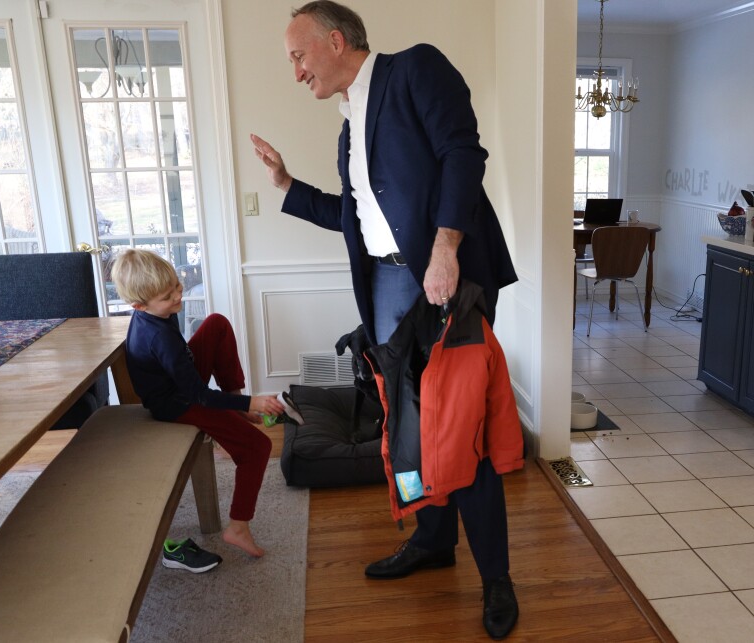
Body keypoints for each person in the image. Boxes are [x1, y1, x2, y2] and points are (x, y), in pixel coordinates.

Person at [251, 1, 520, 638]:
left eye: (298, 55)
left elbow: (463, 154)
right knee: (411, 431)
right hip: (387, 290)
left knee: (463, 436)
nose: (295, 72)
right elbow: (355, 217)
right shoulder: (350, 126)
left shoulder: (415, 71)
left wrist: (446, 248)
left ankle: (498, 580)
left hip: (440, 280)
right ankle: (433, 541)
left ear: (336, 40)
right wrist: (288, 185)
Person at [111, 249, 285, 559]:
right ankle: (238, 526)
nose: (178, 296)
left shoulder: (156, 312)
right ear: (138, 306)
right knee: (257, 447)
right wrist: (252, 402)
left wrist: (235, 401)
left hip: (179, 379)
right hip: (176, 403)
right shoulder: (157, 338)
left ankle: (232, 400)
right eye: (168, 296)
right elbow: (198, 396)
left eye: (177, 286)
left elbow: (183, 365)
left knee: (216, 323)